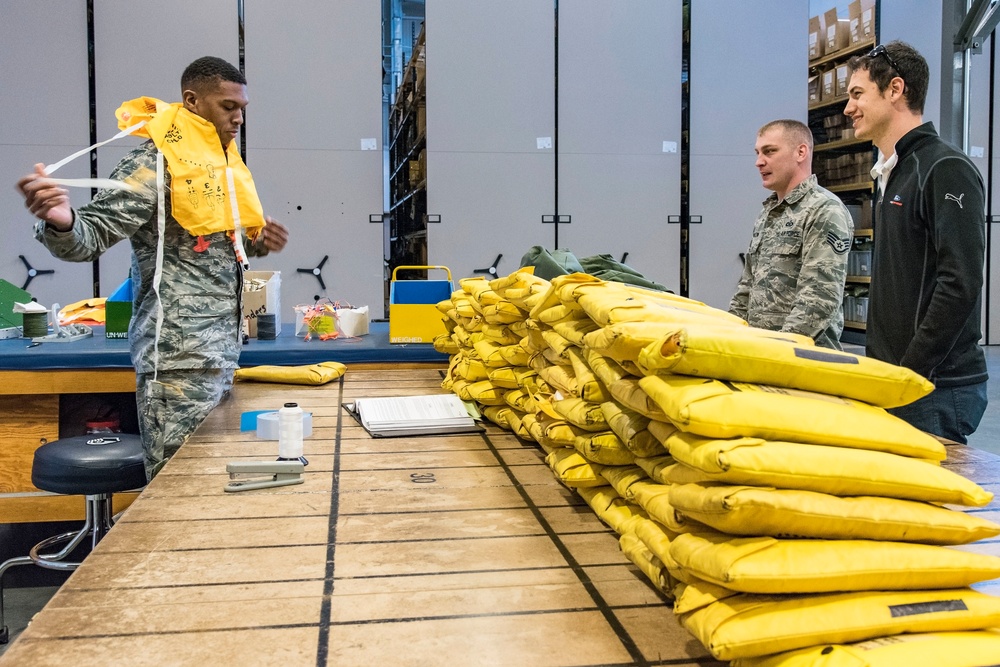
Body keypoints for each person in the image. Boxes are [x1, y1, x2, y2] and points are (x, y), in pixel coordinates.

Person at [17, 56, 289, 479]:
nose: (238, 118)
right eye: (227, 107)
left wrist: (258, 242)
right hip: (177, 361)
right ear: (192, 100)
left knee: (213, 484)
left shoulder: (218, 168)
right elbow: (91, 235)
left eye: (242, 109)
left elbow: (211, 247)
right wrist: (62, 221)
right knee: (176, 488)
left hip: (219, 354)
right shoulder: (155, 165)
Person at [844, 41, 987, 443]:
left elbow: (960, 283)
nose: (848, 108)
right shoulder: (892, 171)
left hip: (935, 387)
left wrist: (910, 371)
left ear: (895, 89)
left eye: (857, 95)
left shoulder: (944, 167)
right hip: (898, 379)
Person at [729, 119, 853, 350]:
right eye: (757, 153)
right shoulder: (769, 212)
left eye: (770, 151)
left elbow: (819, 298)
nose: (759, 162)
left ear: (801, 152)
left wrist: (780, 350)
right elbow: (747, 286)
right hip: (760, 350)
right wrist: (730, 336)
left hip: (801, 356)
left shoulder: (824, 210)